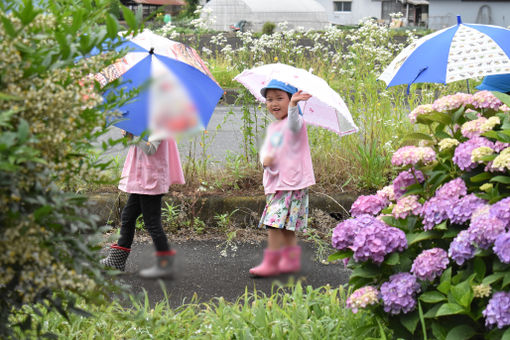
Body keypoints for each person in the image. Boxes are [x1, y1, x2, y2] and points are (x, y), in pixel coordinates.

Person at [249, 79, 315, 277]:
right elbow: (268, 151)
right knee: (286, 224)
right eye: (269, 99)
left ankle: (272, 262)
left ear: (290, 100)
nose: (274, 103)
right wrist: (265, 159)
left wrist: (294, 105)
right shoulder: (274, 127)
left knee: (273, 222)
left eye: (280, 98)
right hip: (277, 182)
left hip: (291, 183)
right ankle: (290, 260)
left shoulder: (296, 122)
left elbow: (293, 124)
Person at [100, 131, 185, 278]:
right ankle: (116, 261)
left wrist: (134, 136)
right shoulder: (144, 122)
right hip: (142, 180)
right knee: (128, 216)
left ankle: (165, 266)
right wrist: (129, 135)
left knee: (152, 222)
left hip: (151, 180)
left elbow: (150, 149)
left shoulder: (159, 123)